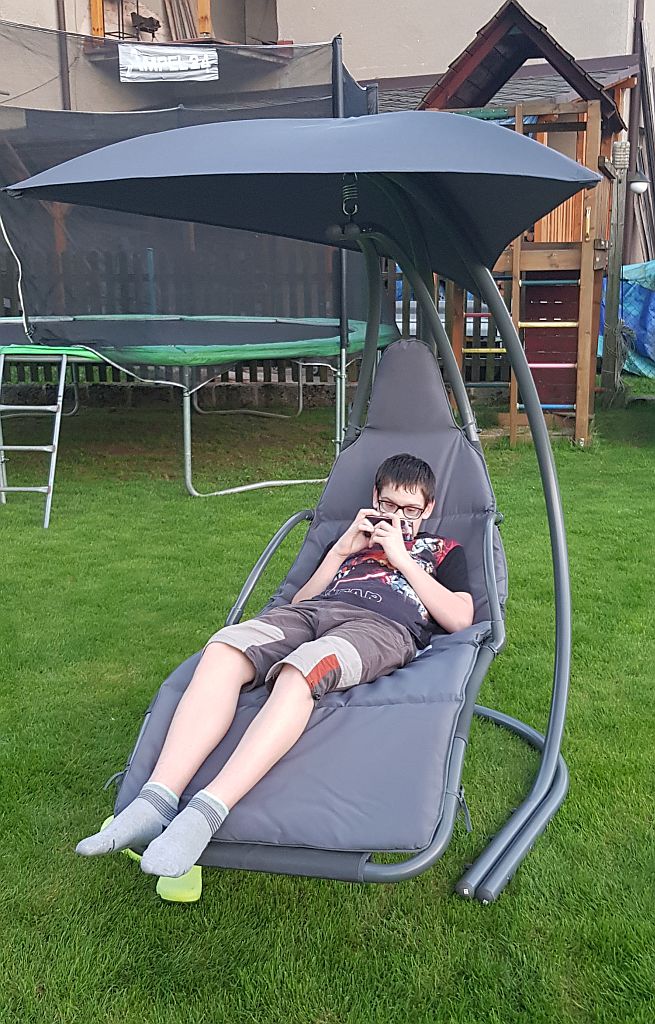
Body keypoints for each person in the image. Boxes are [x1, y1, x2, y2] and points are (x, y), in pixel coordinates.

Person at [76, 453, 473, 877]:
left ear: (428, 509)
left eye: (410, 510)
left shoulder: (443, 551)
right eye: (390, 505)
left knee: (302, 669)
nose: (398, 517)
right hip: (313, 613)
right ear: (375, 498)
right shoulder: (349, 540)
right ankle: (154, 801)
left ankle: (204, 815)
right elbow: (301, 602)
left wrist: (402, 558)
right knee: (225, 648)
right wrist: (342, 549)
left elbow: (459, 618)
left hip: (380, 628)